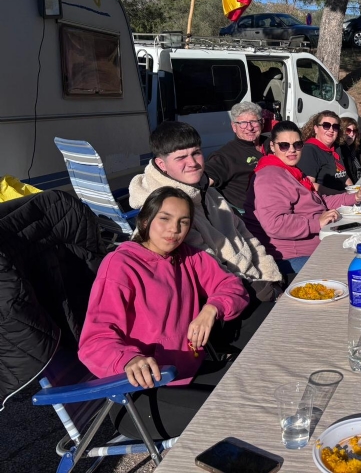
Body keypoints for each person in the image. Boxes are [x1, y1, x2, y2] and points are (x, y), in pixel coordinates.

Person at [78, 187, 266, 441]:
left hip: (188, 373)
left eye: (183, 222)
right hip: (141, 393)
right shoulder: (121, 265)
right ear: (145, 221)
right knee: (242, 414)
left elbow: (231, 287)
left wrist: (212, 308)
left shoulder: (188, 256)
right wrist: (129, 360)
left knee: (263, 388)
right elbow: (94, 340)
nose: (174, 229)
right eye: (164, 218)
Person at [129, 122, 283, 301]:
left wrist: (270, 275)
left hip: (254, 278)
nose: (193, 163)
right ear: (161, 164)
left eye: (196, 153)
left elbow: (245, 235)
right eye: (181, 158)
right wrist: (264, 290)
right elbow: (209, 269)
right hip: (226, 296)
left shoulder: (206, 191)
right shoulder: (166, 212)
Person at [244, 121, 361, 276]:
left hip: (316, 241)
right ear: (272, 147)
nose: (292, 150)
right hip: (291, 256)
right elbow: (275, 224)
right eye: (284, 145)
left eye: (297, 144)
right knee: (360, 267)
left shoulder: (291, 171)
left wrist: (356, 196)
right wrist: (317, 223)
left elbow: (318, 201)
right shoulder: (270, 176)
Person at [204, 102, 267, 211]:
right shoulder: (226, 155)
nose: (249, 128)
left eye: (253, 121)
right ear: (234, 127)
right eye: (242, 123)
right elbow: (203, 180)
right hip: (250, 215)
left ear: (262, 123)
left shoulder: (272, 143)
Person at [298, 111, 351, 194]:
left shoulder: (336, 148)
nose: (331, 130)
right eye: (326, 126)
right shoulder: (309, 150)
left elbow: (343, 176)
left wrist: (354, 191)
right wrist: (340, 195)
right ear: (316, 129)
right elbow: (309, 184)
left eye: (335, 127)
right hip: (327, 201)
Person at [341, 116, 361, 183]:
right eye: (348, 130)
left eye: (354, 131)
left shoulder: (353, 148)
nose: (352, 134)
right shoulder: (341, 150)